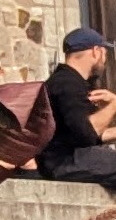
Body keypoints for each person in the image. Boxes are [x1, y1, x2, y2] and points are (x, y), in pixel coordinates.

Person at [41, 26, 116, 188]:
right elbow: (88, 132)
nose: (105, 59)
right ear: (96, 52)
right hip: (64, 162)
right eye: (104, 53)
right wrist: (114, 105)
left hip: (72, 158)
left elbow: (86, 134)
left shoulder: (72, 82)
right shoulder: (66, 84)